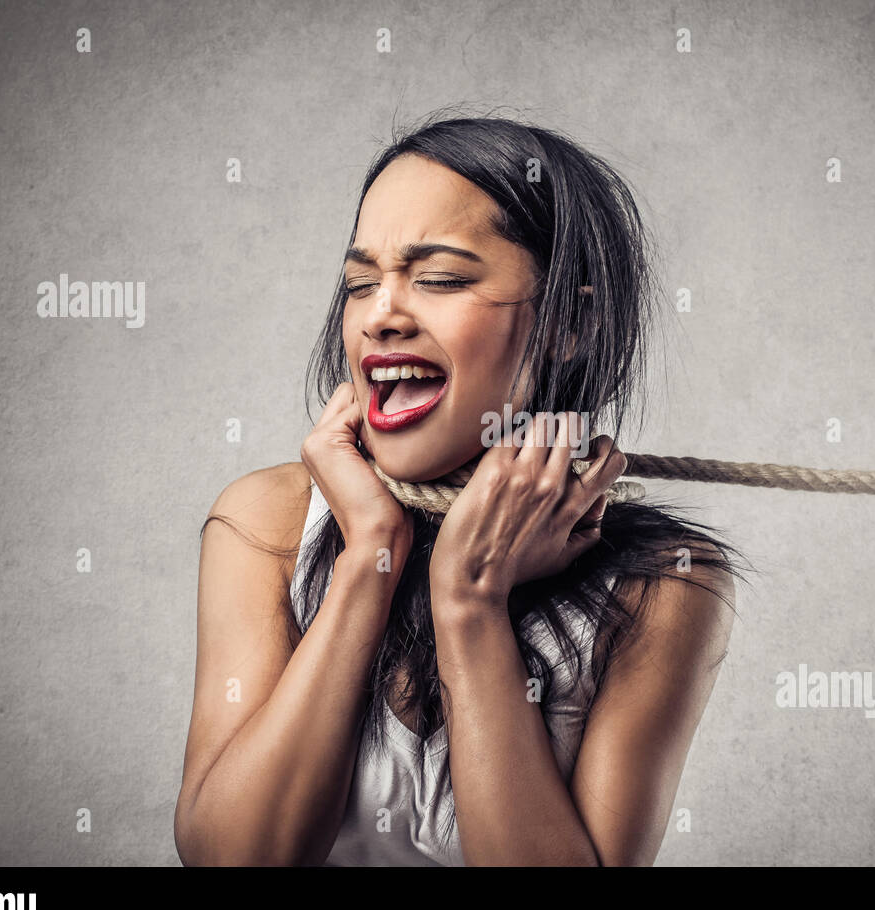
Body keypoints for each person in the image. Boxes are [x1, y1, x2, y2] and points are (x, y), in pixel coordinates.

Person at [174, 109, 749, 866]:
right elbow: (236, 859)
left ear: (566, 325)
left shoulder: (666, 587)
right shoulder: (264, 522)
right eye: (359, 283)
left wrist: (470, 604)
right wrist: (370, 552)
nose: (380, 317)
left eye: (438, 278)